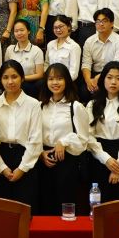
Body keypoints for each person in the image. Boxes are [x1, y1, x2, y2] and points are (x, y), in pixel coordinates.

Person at [84, 61, 119, 201]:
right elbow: (89, 136)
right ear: (103, 79)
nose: (113, 82)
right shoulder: (92, 104)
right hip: (98, 156)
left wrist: (118, 167)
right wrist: (106, 159)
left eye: (118, 78)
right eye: (109, 77)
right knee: (98, 203)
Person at [0, 61, 42, 205]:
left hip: (26, 158)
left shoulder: (33, 104)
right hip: (0, 157)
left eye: (14, 76)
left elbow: (35, 140)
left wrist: (22, 169)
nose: (10, 81)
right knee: (2, 209)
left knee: (26, 207)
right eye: (5, 77)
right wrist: (2, 168)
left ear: (22, 78)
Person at [37, 62, 86, 214]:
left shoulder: (75, 107)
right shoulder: (40, 106)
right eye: (51, 79)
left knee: (65, 203)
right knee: (45, 204)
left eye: (59, 78)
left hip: (66, 160)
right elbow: (33, 134)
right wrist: (40, 152)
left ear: (67, 81)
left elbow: (83, 139)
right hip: (44, 160)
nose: (55, 82)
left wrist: (63, 142)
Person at [79, 8, 119, 95]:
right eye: (98, 21)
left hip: (113, 75)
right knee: (83, 91)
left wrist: (99, 79)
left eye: (105, 21)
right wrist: (89, 81)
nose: (101, 24)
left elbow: (118, 65)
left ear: (112, 23)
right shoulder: (89, 41)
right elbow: (86, 64)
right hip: (94, 74)